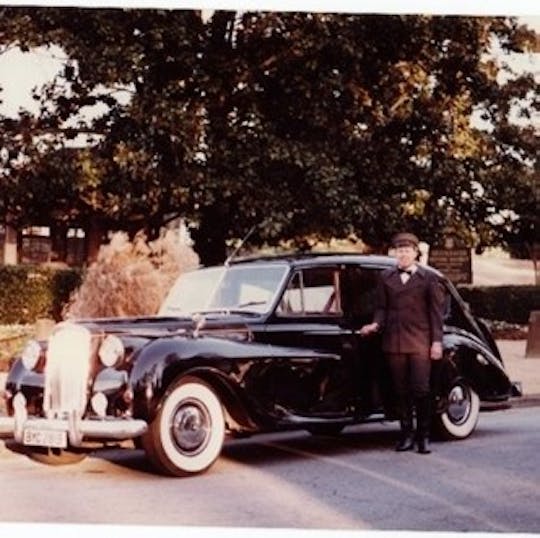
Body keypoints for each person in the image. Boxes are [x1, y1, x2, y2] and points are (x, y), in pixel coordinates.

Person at [359, 232, 445, 454]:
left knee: (421, 389)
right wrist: (375, 324)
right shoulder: (386, 277)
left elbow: (436, 314)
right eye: (399, 251)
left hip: (420, 342)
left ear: (415, 253)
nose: (403, 255)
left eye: (407, 251)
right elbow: (381, 308)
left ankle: (423, 436)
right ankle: (406, 434)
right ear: (394, 253)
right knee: (400, 390)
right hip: (394, 341)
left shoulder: (428, 278)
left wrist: (436, 342)